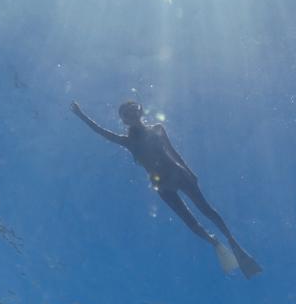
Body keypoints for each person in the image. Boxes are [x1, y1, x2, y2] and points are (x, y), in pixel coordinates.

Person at [71, 99, 262, 278]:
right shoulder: (127, 141)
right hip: (162, 186)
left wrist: (189, 171)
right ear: (124, 120)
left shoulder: (157, 129)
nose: (131, 114)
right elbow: (101, 131)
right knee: (190, 222)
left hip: (178, 174)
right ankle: (216, 243)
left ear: (141, 111)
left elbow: (173, 152)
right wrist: (80, 115)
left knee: (207, 210)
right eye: (126, 113)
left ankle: (233, 243)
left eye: (133, 110)